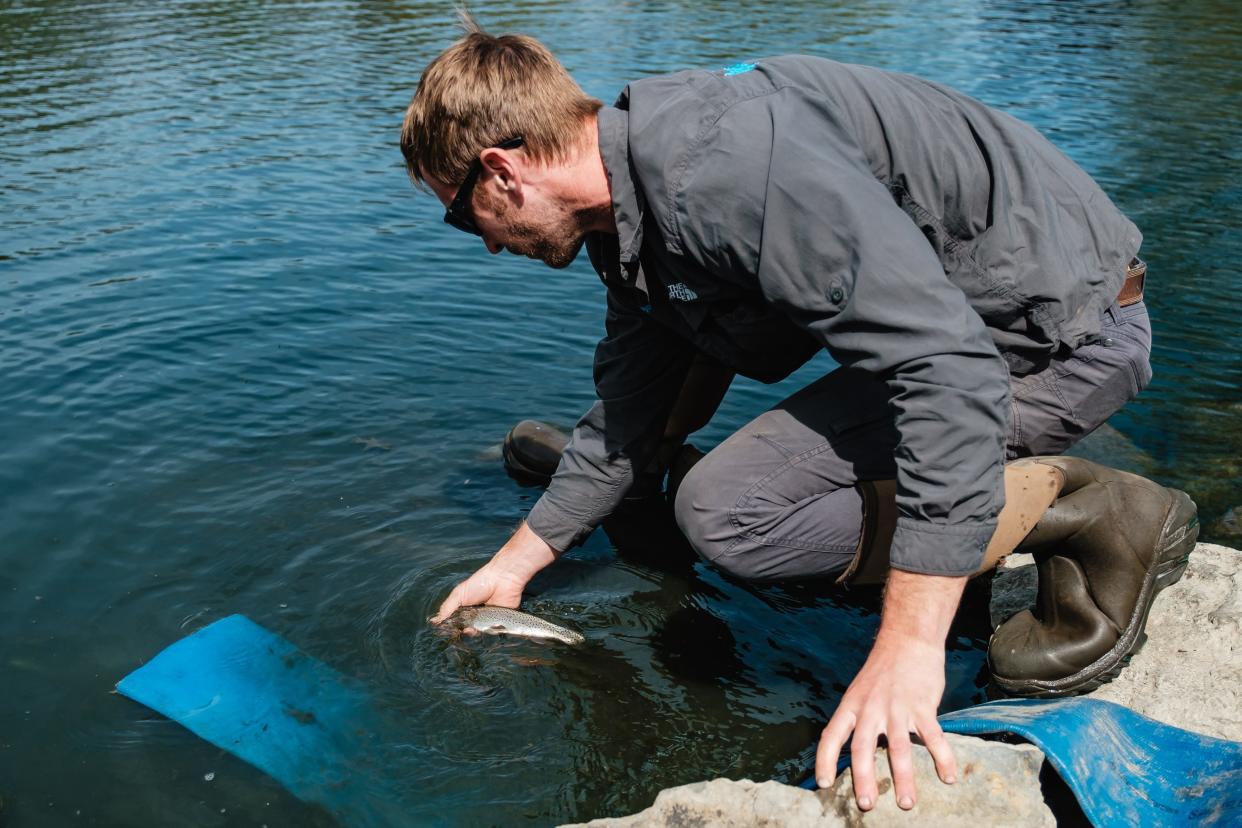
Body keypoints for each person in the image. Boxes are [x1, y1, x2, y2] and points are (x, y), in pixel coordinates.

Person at [399, 17, 1199, 813]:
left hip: (1056, 342)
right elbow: (629, 405)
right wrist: (515, 563)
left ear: (502, 171)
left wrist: (906, 649)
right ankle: (675, 490)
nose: (487, 247)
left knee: (729, 517)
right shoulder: (630, 199)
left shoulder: (723, 175)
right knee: (670, 403)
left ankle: (1088, 511)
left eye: (463, 216)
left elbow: (946, 374)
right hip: (964, 332)